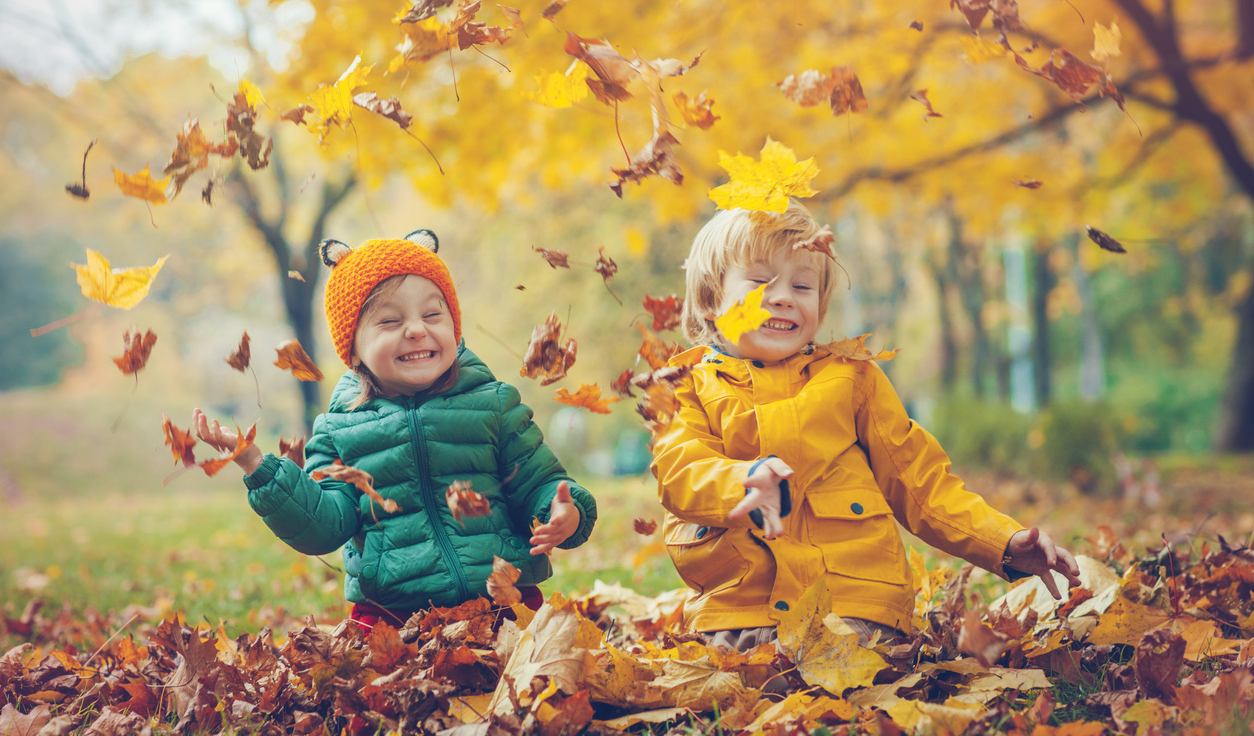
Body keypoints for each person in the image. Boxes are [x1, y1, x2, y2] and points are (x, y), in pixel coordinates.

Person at [651, 201, 1080, 652]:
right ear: (709, 299)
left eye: (803, 285)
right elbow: (680, 470)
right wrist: (741, 483)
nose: (783, 296)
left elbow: (922, 484)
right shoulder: (686, 387)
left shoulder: (851, 379)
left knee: (836, 668)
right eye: (759, 281)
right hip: (741, 611)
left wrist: (1004, 542)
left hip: (853, 603)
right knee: (743, 681)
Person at [193, 229, 596, 632]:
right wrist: (256, 465)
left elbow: (538, 482)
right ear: (353, 350)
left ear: (453, 329)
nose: (417, 329)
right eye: (389, 321)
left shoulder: (494, 404)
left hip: (505, 604)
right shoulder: (337, 430)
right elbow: (324, 525)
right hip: (393, 618)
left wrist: (564, 511)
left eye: (433, 315)